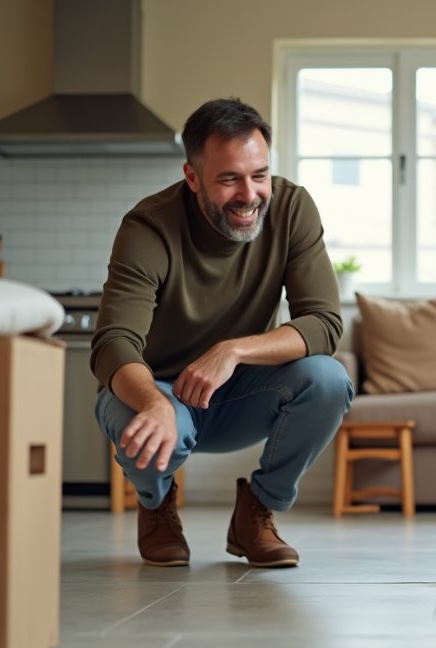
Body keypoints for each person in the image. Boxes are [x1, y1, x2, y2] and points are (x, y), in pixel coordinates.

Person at [91, 97, 352, 568]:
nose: (250, 195)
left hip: (240, 394)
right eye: (229, 178)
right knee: (138, 421)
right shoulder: (149, 226)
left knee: (329, 379)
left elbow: (324, 324)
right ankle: (156, 506)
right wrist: (154, 402)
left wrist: (233, 351)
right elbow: (113, 342)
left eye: (259, 175)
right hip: (160, 393)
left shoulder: (292, 207)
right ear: (193, 178)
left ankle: (256, 510)